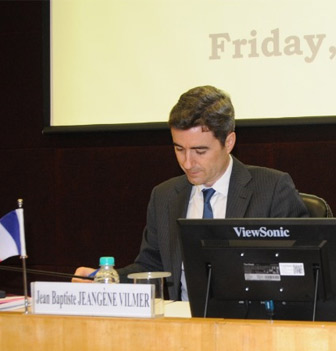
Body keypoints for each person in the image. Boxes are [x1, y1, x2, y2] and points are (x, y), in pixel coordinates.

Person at [74, 85, 308, 300]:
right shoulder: (164, 196)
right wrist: (106, 279)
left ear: (228, 142)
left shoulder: (272, 188)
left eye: (199, 150)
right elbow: (151, 265)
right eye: (179, 149)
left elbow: (298, 268)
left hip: (251, 326)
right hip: (183, 327)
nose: (187, 162)